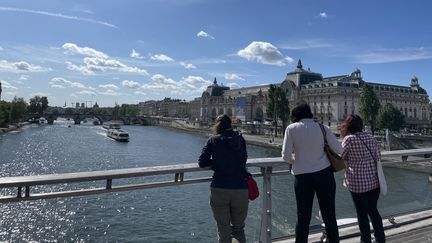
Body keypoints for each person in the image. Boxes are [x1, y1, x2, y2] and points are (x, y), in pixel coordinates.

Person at [281, 103, 342, 243]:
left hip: (302, 177)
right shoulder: (323, 128)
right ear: (310, 114)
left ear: (295, 116)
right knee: (329, 216)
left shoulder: (291, 129)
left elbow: (285, 156)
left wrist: (295, 159)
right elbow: (339, 149)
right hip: (324, 174)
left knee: (303, 218)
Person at [198, 114, 249, 243]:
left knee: (223, 229)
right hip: (241, 188)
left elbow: (202, 162)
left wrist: (218, 163)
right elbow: (244, 159)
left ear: (217, 125)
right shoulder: (240, 139)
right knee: (239, 229)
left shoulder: (213, 140)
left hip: (220, 187)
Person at [340, 114, 385, 243]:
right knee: (373, 210)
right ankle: (380, 238)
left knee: (362, 214)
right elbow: (378, 155)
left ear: (347, 125)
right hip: (374, 181)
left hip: (357, 182)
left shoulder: (348, 139)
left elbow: (341, 157)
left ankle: (365, 240)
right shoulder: (370, 137)